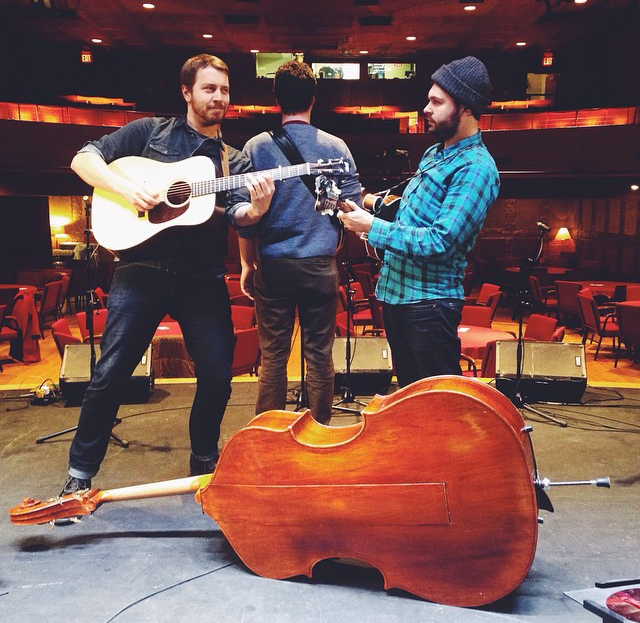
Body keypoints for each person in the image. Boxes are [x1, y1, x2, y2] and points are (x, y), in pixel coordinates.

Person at [61, 54, 274, 495]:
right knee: (110, 373)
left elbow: (239, 215)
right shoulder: (148, 132)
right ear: (187, 92)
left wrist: (255, 210)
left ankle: (204, 460)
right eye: (209, 88)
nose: (219, 97)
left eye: (225, 90)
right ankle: (80, 473)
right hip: (140, 271)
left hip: (202, 278)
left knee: (217, 375)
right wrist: (126, 188)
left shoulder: (233, 160)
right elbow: (84, 159)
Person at [338, 56, 500, 386]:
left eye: (437, 102)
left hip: (430, 305)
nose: (426, 108)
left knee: (438, 402)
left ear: (465, 108)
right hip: (397, 297)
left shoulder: (476, 168)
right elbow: (410, 215)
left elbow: (440, 241)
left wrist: (370, 227)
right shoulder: (434, 154)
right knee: (412, 400)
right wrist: (367, 205)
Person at [238, 60, 362, 424]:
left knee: (273, 357)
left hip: (273, 266)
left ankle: (270, 437)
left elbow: (245, 217)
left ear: (276, 99)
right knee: (320, 356)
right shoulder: (337, 147)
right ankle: (318, 434)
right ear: (313, 98)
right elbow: (352, 209)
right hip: (320, 266)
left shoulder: (255, 147)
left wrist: (246, 263)